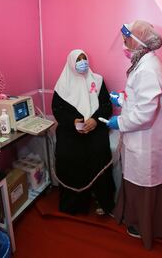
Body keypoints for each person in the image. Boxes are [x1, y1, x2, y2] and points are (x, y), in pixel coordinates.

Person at [107, 21, 162, 249]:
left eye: (126, 40)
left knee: (143, 184)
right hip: (141, 142)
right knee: (136, 181)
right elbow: (139, 100)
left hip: (146, 143)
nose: (124, 44)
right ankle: (138, 221)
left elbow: (145, 113)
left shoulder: (148, 68)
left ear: (138, 41)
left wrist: (120, 122)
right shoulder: (143, 63)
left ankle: (143, 227)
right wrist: (122, 99)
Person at [52, 49, 115, 216]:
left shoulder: (98, 81)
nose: (82, 62)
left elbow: (106, 106)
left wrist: (95, 120)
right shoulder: (62, 84)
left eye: (84, 58)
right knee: (67, 155)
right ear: (71, 63)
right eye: (78, 59)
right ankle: (75, 204)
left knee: (100, 153)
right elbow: (58, 110)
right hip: (72, 129)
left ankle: (104, 200)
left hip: (95, 127)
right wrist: (73, 121)